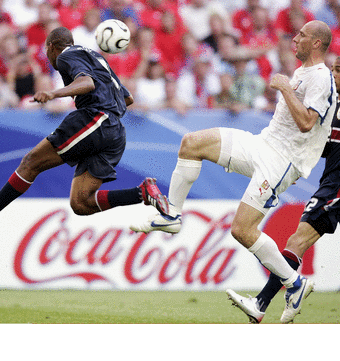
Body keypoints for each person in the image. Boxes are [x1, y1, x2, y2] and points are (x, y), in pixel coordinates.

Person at [130, 20, 337, 322]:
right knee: (191, 143)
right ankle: (172, 215)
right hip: (262, 143)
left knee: (242, 230)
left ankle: (295, 284)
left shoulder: (320, 76)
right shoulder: (304, 72)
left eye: (302, 35)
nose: (295, 39)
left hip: (280, 161)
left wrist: (283, 89)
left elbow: (307, 122)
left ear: (317, 43)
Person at [0, 26, 168, 233]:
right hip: (116, 133)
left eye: (47, 52)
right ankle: (142, 193)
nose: (49, 57)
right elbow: (127, 98)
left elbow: (87, 83)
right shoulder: (97, 58)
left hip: (95, 119)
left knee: (31, 162)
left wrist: (53, 94)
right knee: (81, 203)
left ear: (51, 47)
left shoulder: (66, 55)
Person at [227, 56, 340, 323]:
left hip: (336, 189)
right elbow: (324, 147)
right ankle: (261, 304)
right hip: (331, 185)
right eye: (333, 69)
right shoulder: (332, 106)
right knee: (295, 242)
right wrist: (294, 167)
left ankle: (267, 300)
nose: (333, 75)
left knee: (296, 241)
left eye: (338, 71)